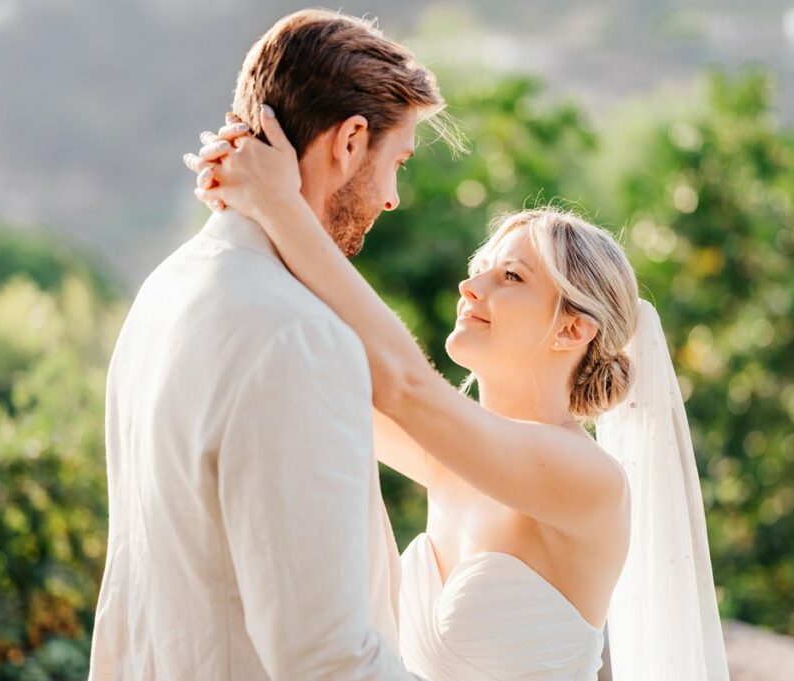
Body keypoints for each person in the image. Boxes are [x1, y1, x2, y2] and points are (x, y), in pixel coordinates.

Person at [184, 105, 731, 680]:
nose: (471, 287)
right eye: (480, 267)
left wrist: (281, 206)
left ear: (573, 328)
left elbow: (401, 383)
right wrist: (245, 202)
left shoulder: (588, 479)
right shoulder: (451, 462)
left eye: (511, 277)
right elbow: (319, 360)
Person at [89, 9, 452, 680]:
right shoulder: (298, 338)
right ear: (349, 141)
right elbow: (326, 656)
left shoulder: (159, 296)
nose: (395, 197)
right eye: (396, 161)